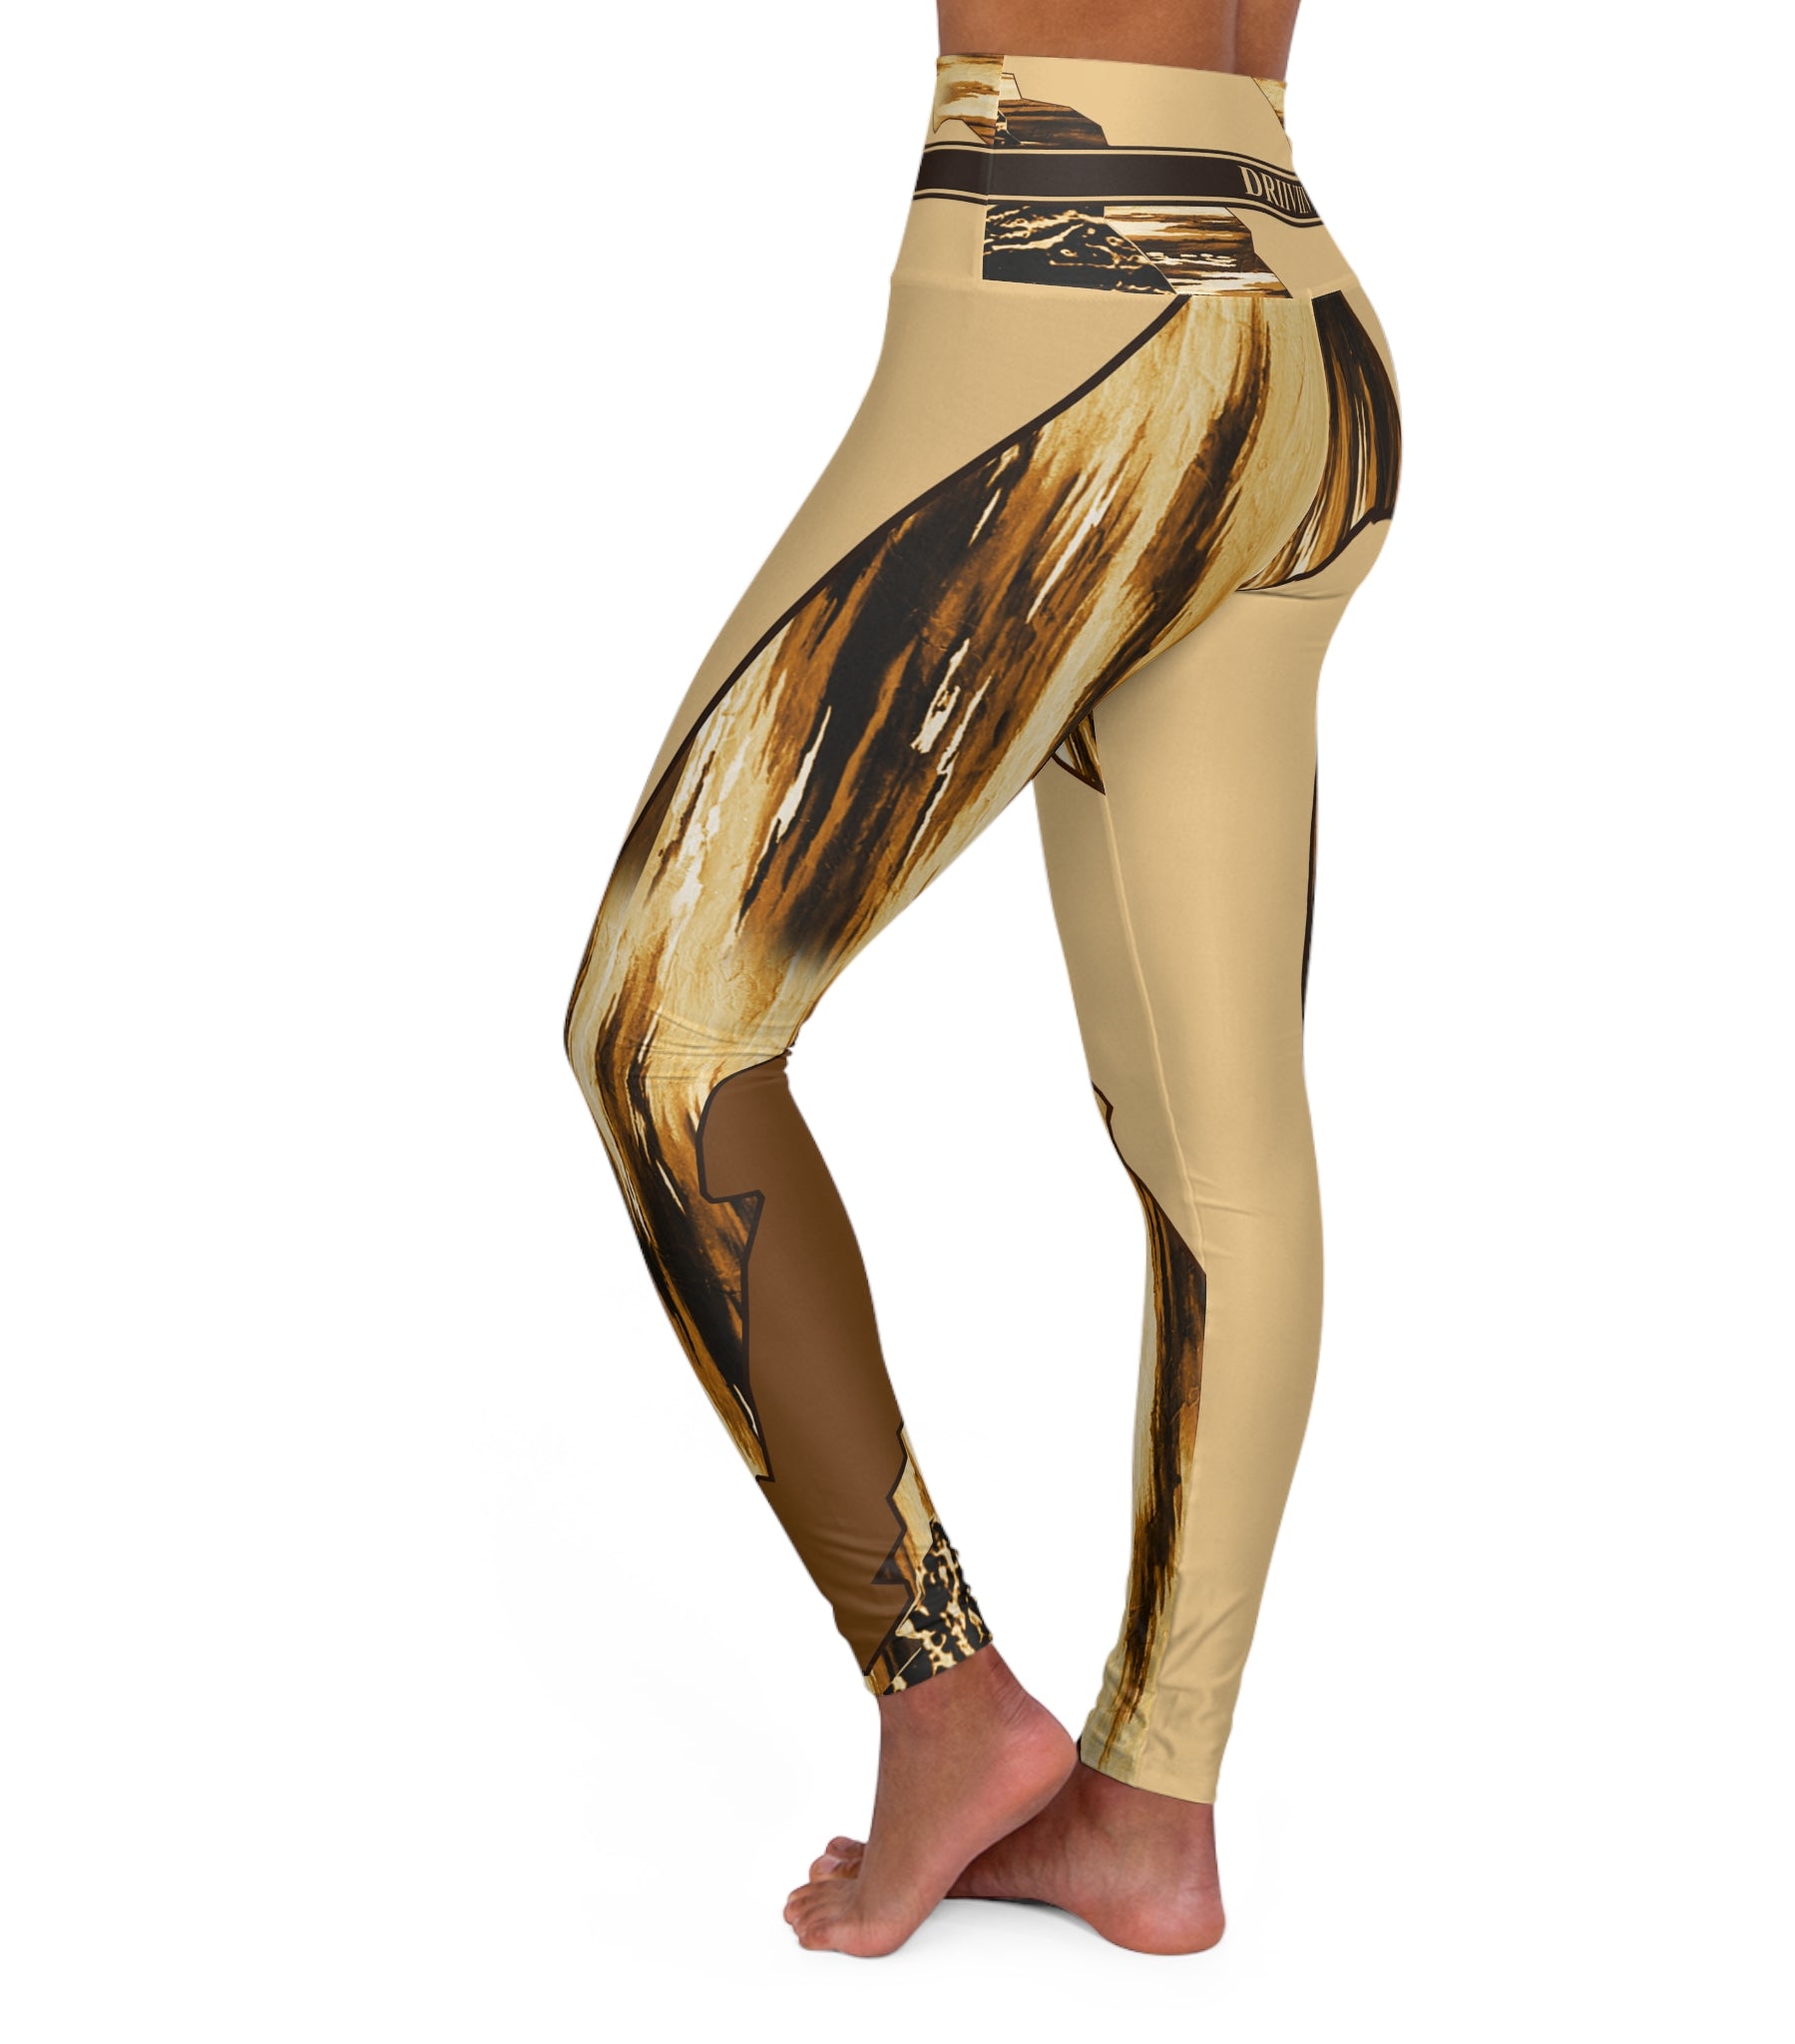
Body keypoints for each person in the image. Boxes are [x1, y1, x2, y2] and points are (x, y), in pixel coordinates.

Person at [564, 0, 1399, 1956]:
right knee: (1225, 1150)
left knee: (656, 1032)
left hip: (1062, 286)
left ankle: (944, 1699)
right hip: (1297, 326)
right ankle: (1151, 1815)